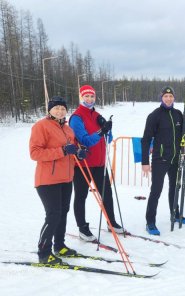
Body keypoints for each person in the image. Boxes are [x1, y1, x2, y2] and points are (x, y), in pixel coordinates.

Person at [29, 96, 87, 264]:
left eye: (63, 108)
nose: (60, 111)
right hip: (47, 180)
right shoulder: (41, 126)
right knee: (53, 214)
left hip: (66, 178)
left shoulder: (68, 129)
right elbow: (35, 153)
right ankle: (44, 253)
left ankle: (59, 246)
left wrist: (79, 153)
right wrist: (61, 150)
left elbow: (72, 150)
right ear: (49, 110)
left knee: (62, 213)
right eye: (56, 108)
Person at [69, 85, 123, 242]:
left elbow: (108, 139)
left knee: (107, 193)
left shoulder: (97, 115)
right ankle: (82, 228)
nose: (90, 99)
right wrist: (101, 132)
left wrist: (107, 129)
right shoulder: (77, 117)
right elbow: (85, 139)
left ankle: (111, 222)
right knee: (81, 196)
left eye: (92, 96)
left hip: (99, 163)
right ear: (81, 97)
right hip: (83, 164)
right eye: (86, 96)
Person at [142, 86, 185, 236]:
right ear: (161, 98)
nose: (168, 99)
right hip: (160, 159)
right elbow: (145, 140)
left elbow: (183, 133)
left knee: (175, 187)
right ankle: (150, 221)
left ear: (174, 98)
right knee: (156, 190)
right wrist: (145, 162)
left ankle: (175, 214)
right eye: (166, 96)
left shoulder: (178, 114)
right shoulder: (154, 116)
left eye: (171, 96)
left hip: (176, 158)